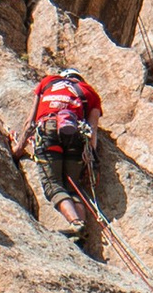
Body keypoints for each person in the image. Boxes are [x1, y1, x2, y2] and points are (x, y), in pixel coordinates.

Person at [15, 64, 104, 228]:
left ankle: (76, 224)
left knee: (53, 185)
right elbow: (92, 130)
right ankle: (81, 226)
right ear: (80, 80)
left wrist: (18, 150)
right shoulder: (90, 93)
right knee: (73, 187)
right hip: (76, 136)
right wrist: (90, 158)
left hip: (48, 130)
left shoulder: (48, 82)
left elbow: (30, 123)